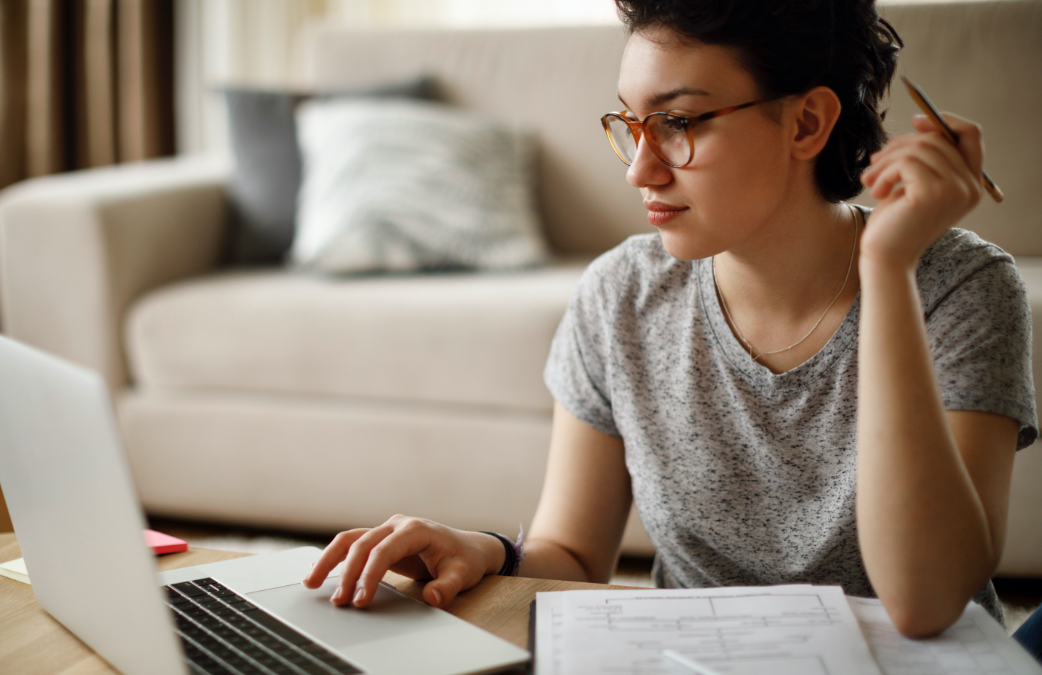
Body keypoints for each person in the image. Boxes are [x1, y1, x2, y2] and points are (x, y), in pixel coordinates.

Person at [302, 0, 1037, 639]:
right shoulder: (620, 293)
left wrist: (887, 270)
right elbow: (577, 557)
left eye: (679, 122)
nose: (640, 169)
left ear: (808, 121)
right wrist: (487, 548)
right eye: (631, 123)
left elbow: (927, 602)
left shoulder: (961, 288)